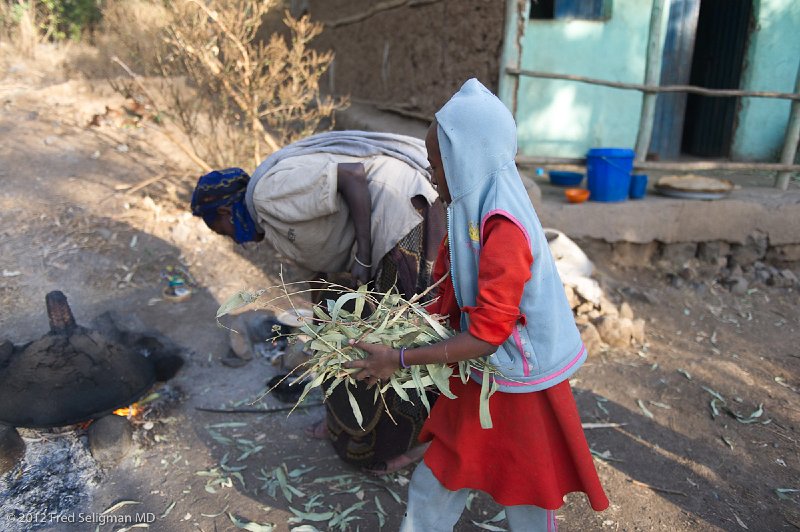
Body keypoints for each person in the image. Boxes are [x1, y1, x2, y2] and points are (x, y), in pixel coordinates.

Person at [346, 79, 609, 531]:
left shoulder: (503, 225)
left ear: (465, 159)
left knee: (527, 491)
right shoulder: (472, 210)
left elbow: (489, 334)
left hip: (520, 382)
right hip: (483, 374)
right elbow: (455, 292)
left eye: (436, 163)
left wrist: (400, 358)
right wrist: (412, 324)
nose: (432, 175)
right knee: (441, 475)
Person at [190, 131, 446, 474]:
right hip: (377, 230)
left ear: (225, 210)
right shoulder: (268, 216)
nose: (234, 240)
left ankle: (412, 443)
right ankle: (346, 422)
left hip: (400, 214)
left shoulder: (268, 194)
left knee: (401, 334)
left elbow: (352, 176)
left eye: (223, 230)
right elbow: (323, 261)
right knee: (337, 331)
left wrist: (365, 256)